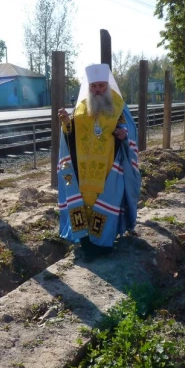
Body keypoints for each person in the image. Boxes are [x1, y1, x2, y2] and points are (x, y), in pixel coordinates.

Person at [57, 63, 140, 257]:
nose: (98, 90)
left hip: (110, 168)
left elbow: (130, 131)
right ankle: (86, 244)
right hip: (84, 171)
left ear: (108, 86)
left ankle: (104, 245)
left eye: (101, 85)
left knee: (107, 203)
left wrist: (123, 134)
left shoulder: (118, 106)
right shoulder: (81, 108)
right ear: (89, 88)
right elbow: (72, 136)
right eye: (94, 86)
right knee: (84, 203)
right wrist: (66, 123)